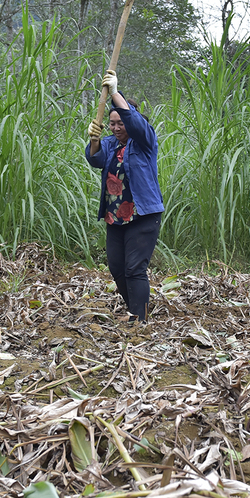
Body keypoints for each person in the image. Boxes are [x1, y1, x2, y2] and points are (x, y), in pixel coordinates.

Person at [85, 72, 164, 322]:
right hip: (115, 216)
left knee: (134, 268)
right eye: (113, 123)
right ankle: (136, 311)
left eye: (122, 122)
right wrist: (94, 140)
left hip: (142, 215)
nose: (117, 127)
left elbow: (137, 125)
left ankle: (139, 320)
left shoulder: (144, 141)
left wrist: (115, 93)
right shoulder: (111, 143)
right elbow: (95, 159)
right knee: (117, 268)